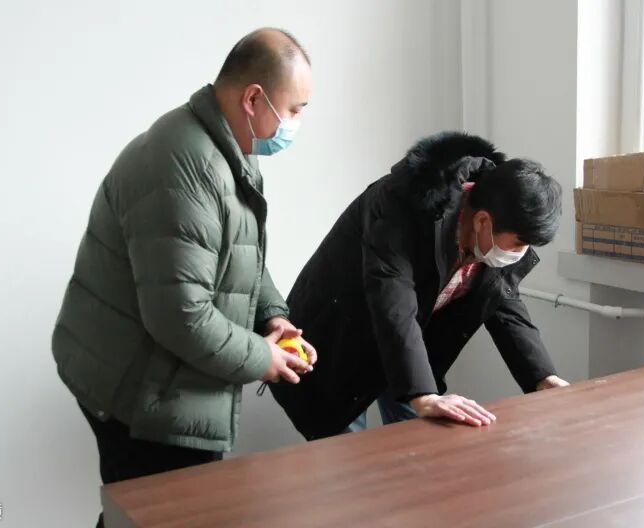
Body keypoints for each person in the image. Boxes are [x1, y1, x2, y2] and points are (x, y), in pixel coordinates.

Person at [51, 28, 316, 527]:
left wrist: (272, 316)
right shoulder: (182, 168)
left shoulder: (229, 147)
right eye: (295, 109)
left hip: (166, 377)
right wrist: (261, 357)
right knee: (155, 515)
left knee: (152, 514)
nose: (296, 124)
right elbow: (180, 317)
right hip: (138, 391)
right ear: (253, 99)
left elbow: (241, 251)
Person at [269, 132, 568, 439]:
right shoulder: (400, 204)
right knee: (344, 452)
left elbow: (504, 303)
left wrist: (542, 376)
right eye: (519, 243)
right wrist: (423, 395)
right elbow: (392, 298)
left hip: (406, 347)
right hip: (339, 339)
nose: (520, 253)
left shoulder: (495, 227)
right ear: (482, 221)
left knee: (419, 445)